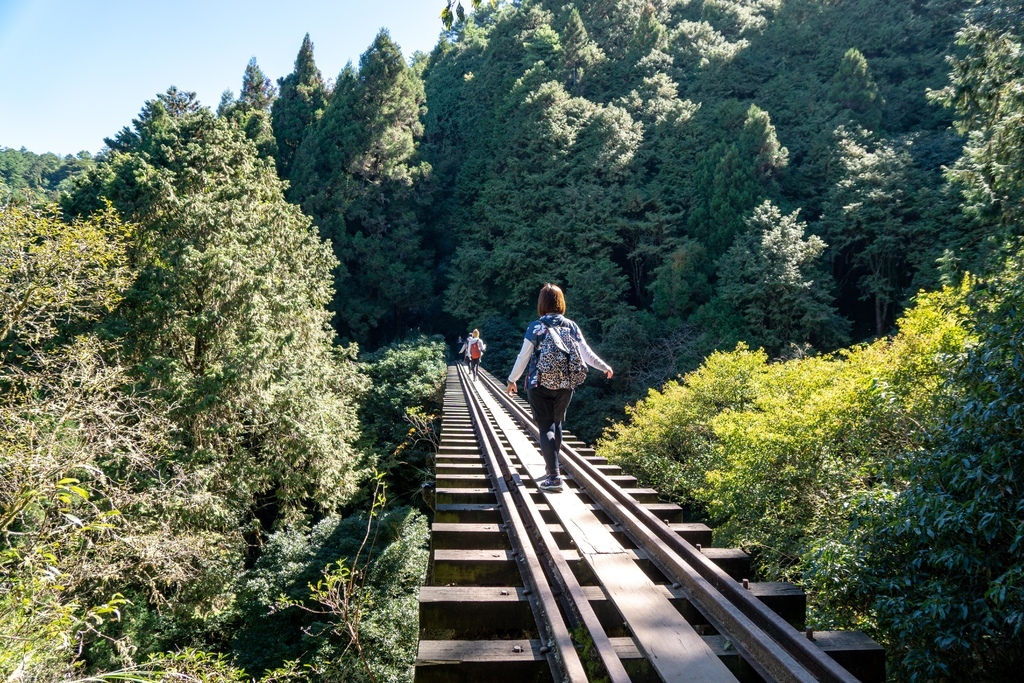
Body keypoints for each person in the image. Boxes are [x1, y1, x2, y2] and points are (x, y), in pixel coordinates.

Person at [506, 284, 612, 492]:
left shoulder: (535, 327)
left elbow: (523, 357)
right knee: (557, 424)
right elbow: (586, 354)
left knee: (545, 427)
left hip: (539, 383)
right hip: (565, 385)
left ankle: (554, 476)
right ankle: (552, 469)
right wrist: (604, 366)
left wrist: (512, 380)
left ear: (541, 303)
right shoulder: (571, 326)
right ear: (561, 302)